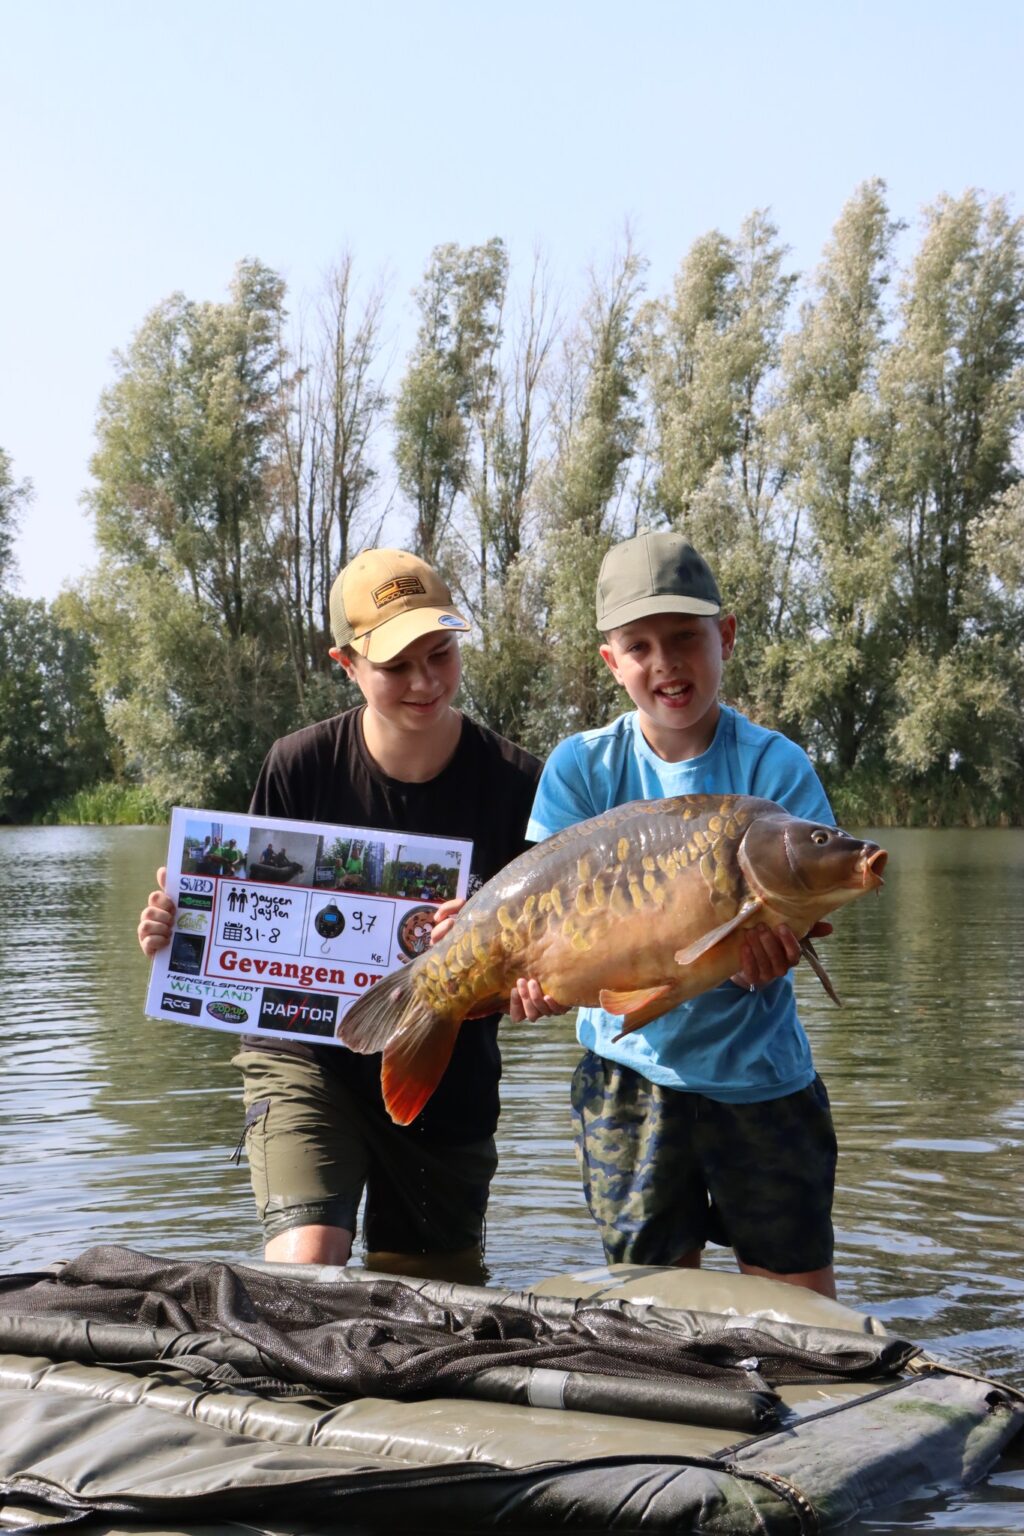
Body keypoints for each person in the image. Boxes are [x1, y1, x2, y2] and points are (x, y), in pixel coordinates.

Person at [138, 548, 547, 1278]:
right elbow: (242, 929)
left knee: (432, 1298)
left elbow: (538, 960)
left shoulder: (521, 783)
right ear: (347, 664)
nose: (425, 681)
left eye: (441, 653)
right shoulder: (298, 766)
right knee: (309, 1268)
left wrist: (521, 980)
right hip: (305, 1060)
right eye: (396, 665)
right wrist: (182, 934)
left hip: (443, 1076)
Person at [525, 528, 840, 1297]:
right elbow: (540, 916)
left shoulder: (775, 767)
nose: (665, 663)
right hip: (627, 1079)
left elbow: (798, 908)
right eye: (640, 646)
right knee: (654, 1314)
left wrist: (773, 953)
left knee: (802, 1312)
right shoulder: (582, 768)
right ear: (612, 663)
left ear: (724, 637)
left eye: (685, 638)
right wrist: (530, 981)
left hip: (762, 1082)